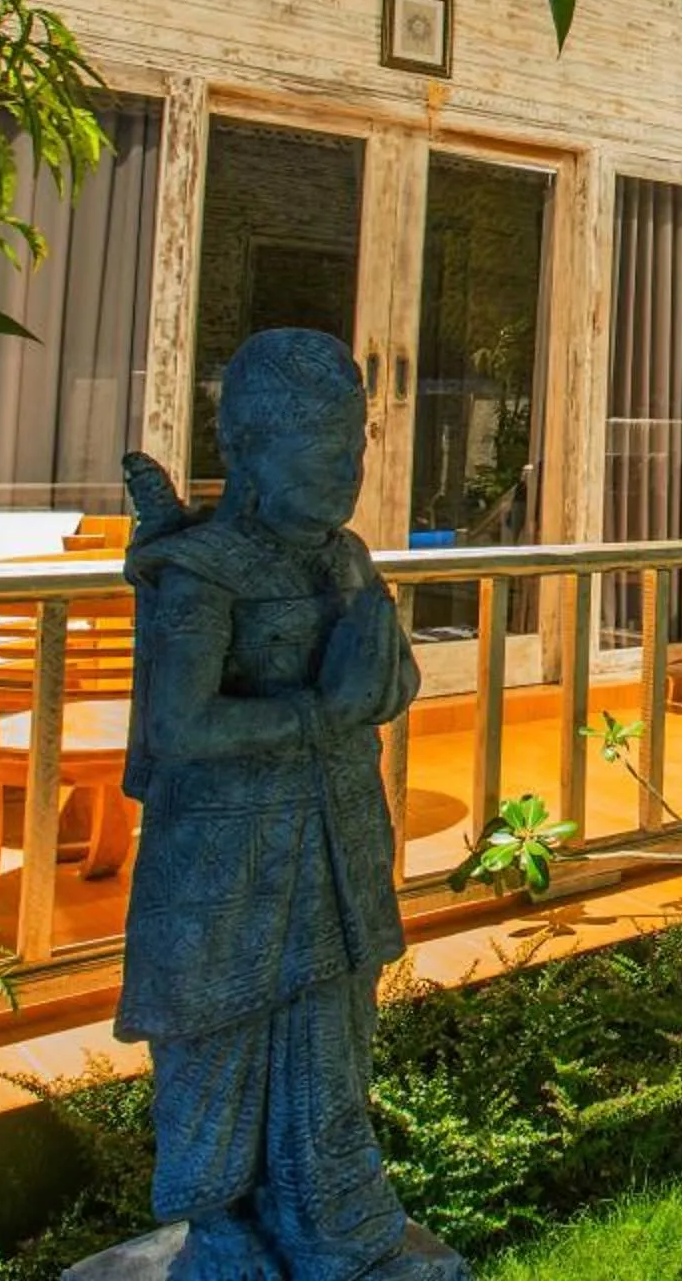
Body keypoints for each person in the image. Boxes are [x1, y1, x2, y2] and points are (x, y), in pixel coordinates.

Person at [116, 329, 457, 1280]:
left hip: (338, 836)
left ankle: (330, 1209)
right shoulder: (207, 570)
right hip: (230, 856)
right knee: (218, 1032)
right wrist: (321, 714)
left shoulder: (346, 555)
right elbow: (180, 726)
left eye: (353, 449)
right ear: (253, 453)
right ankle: (219, 1221)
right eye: (320, 452)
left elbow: (392, 678)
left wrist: (378, 679)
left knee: (334, 1028)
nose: (345, 472)